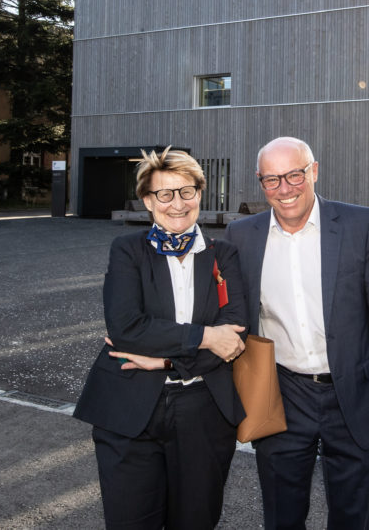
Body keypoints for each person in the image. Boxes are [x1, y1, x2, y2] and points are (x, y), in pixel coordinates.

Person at [224, 136, 369, 530]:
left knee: (352, 516)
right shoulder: (242, 236)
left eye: (294, 175)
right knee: (281, 515)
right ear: (260, 182)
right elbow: (228, 310)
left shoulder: (360, 224)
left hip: (354, 396)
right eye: (271, 180)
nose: (285, 189)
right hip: (283, 395)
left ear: (314, 171)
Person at [74, 147, 247, 529]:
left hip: (204, 410)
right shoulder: (127, 250)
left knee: (196, 520)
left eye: (186, 191)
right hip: (130, 407)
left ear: (200, 193)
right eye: (163, 194)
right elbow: (127, 328)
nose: (177, 204)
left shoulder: (225, 255)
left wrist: (167, 360)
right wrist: (205, 336)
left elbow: (234, 335)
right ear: (147, 200)